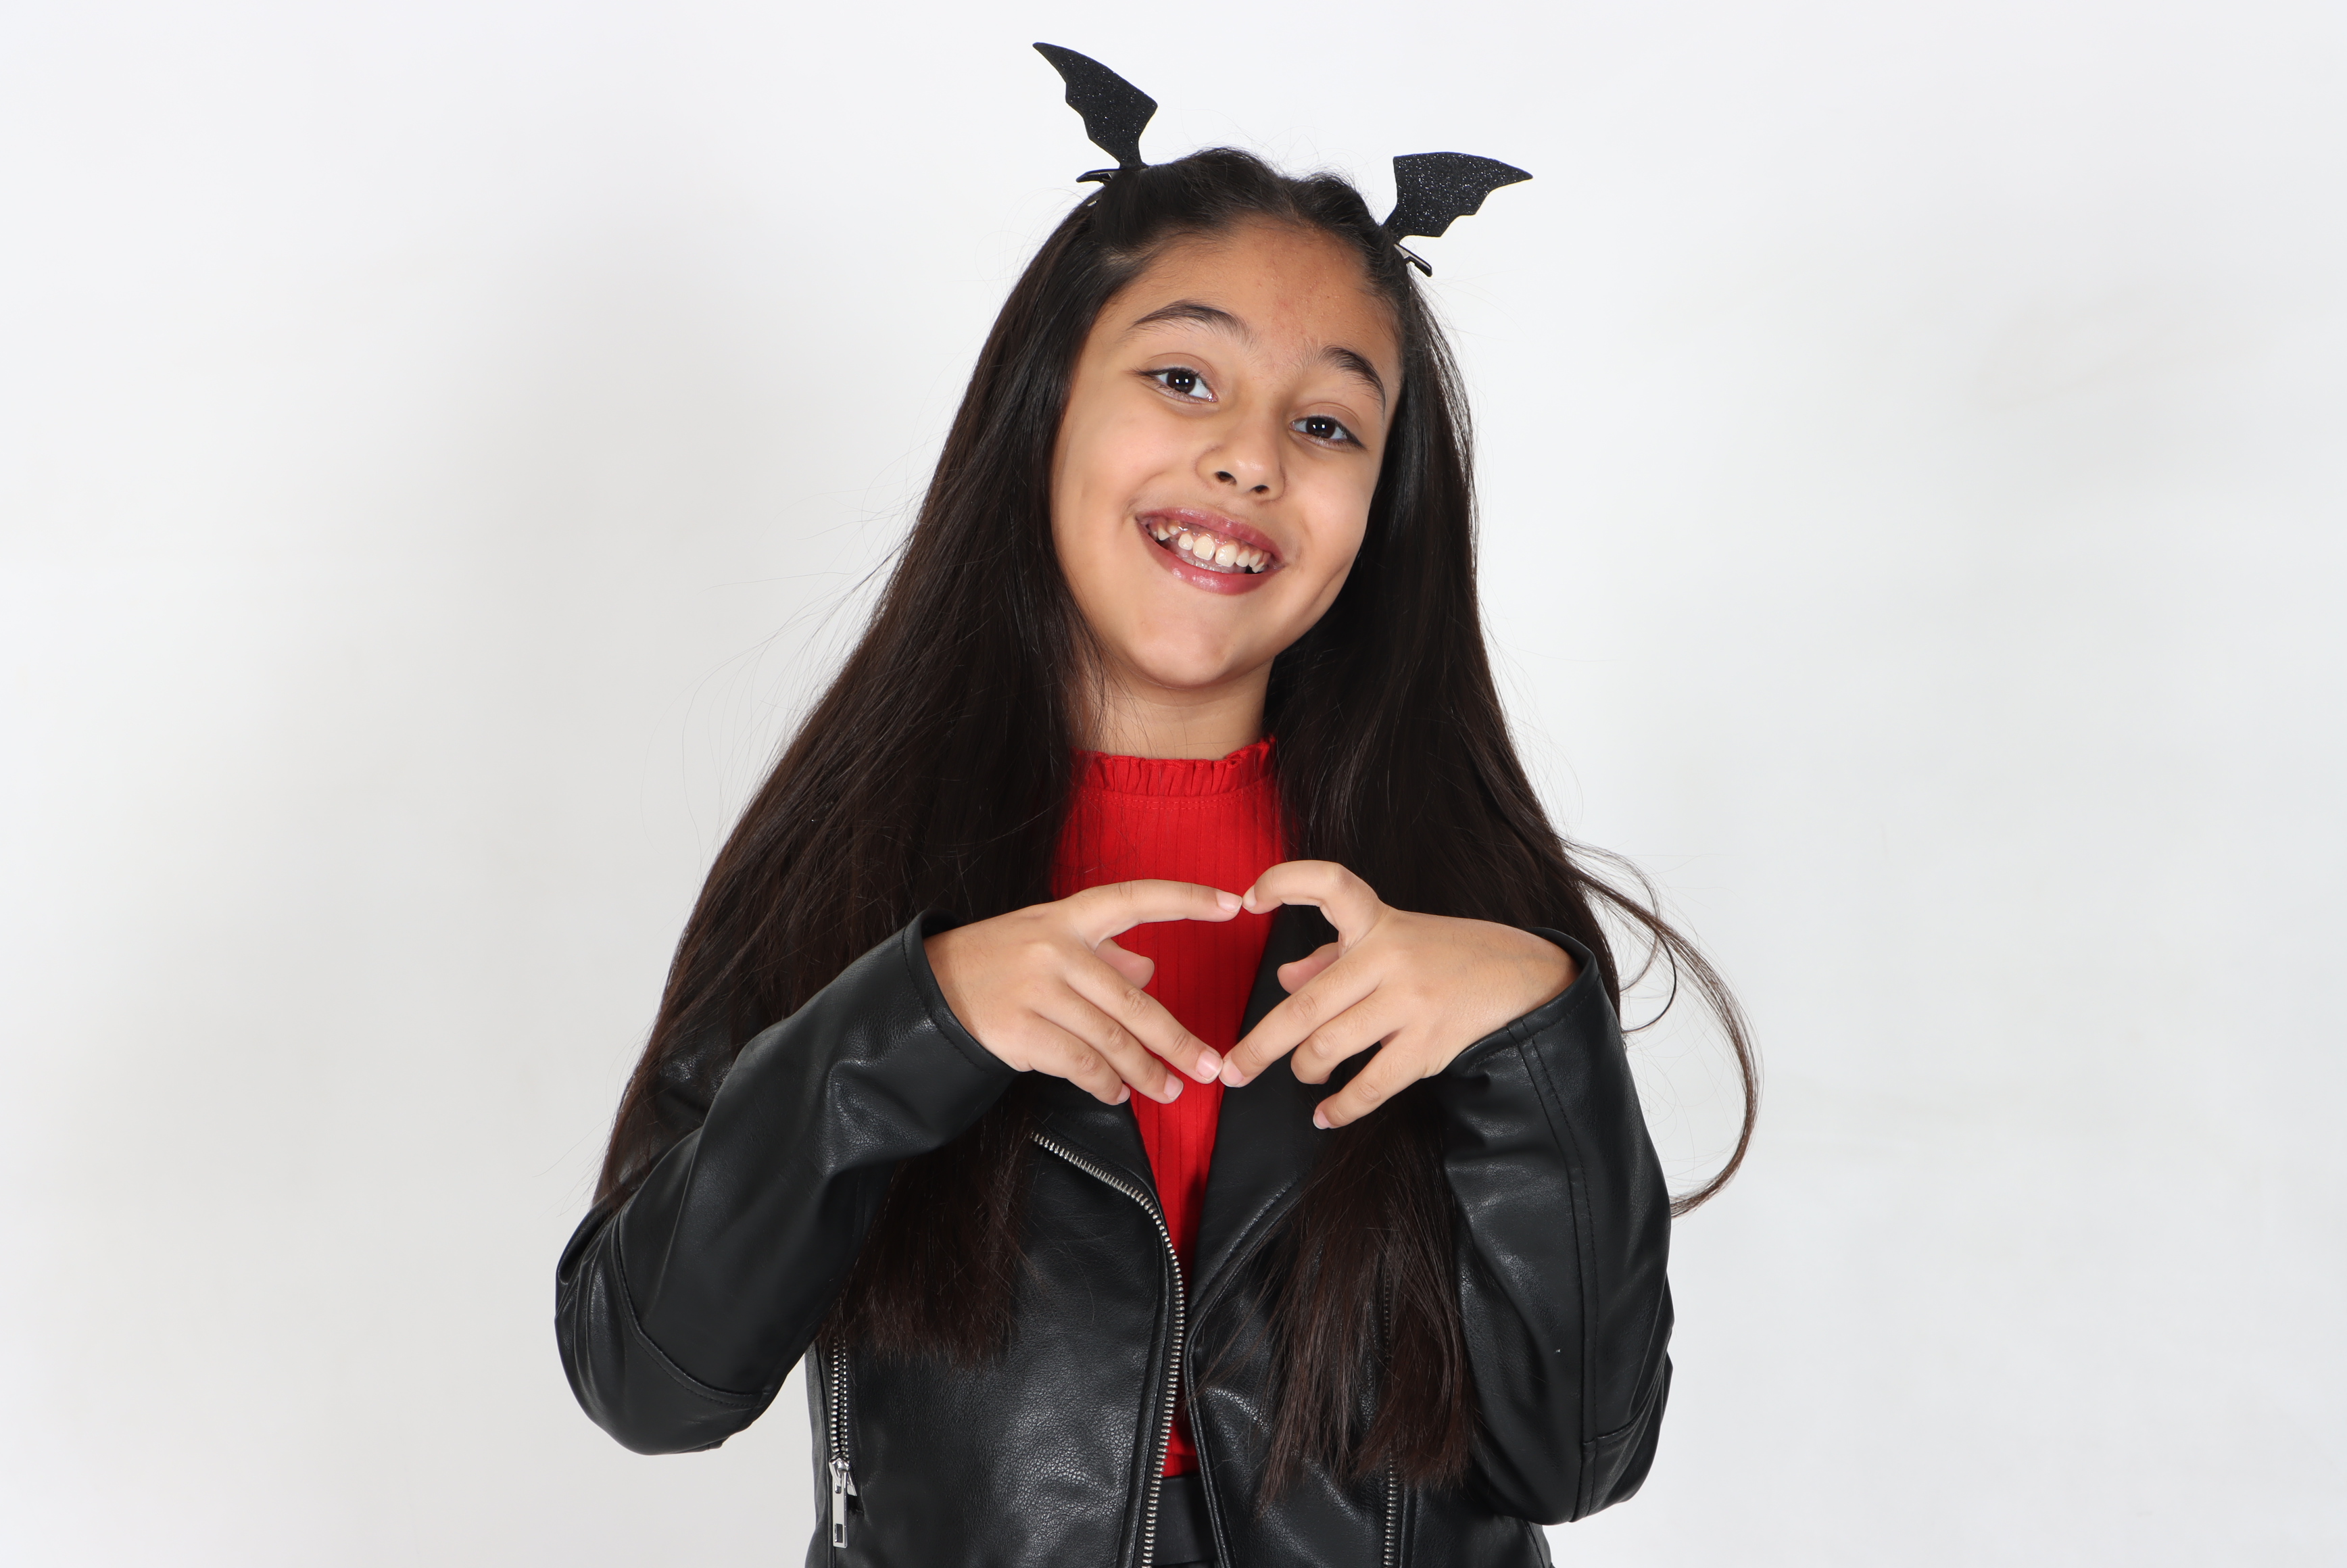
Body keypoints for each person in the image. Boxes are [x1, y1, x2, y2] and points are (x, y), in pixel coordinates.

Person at [556, 46, 1755, 1568]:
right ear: (1045, 406)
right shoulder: (856, 854)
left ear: (1381, 510)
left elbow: (1576, 1457)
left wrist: (1534, 1037)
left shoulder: (1462, 906)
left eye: (1329, 425)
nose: (1248, 457)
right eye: (1183, 378)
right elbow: (646, 1376)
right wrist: (915, 1023)